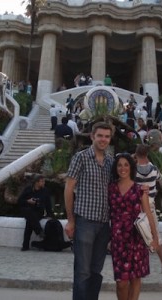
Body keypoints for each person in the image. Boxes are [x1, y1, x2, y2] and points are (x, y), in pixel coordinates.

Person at [64, 122, 113, 300]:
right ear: (92, 136)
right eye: (100, 135)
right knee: (82, 271)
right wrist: (70, 220)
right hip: (84, 221)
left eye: (107, 136)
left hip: (104, 224)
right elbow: (69, 188)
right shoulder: (81, 157)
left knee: (96, 271)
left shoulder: (110, 161)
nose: (103, 139)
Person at [109, 153, 159, 300]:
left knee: (136, 278)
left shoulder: (139, 190)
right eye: (119, 165)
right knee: (121, 283)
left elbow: (148, 214)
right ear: (115, 168)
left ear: (131, 167)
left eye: (126, 165)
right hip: (118, 240)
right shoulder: (110, 188)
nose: (122, 168)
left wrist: (155, 238)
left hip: (137, 238)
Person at [135, 144, 162, 275]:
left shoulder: (132, 170)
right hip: (150, 204)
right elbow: (160, 179)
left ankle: (137, 265)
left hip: (135, 205)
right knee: (155, 234)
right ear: (147, 154)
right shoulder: (154, 169)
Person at [18, 175, 51, 251]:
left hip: (38, 211)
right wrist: (28, 201)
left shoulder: (45, 191)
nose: (44, 183)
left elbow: (48, 204)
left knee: (29, 223)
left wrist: (50, 215)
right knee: (28, 212)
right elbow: (19, 201)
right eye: (42, 181)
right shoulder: (28, 189)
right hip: (27, 209)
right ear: (37, 182)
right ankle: (39, 231)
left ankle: (25, 245)